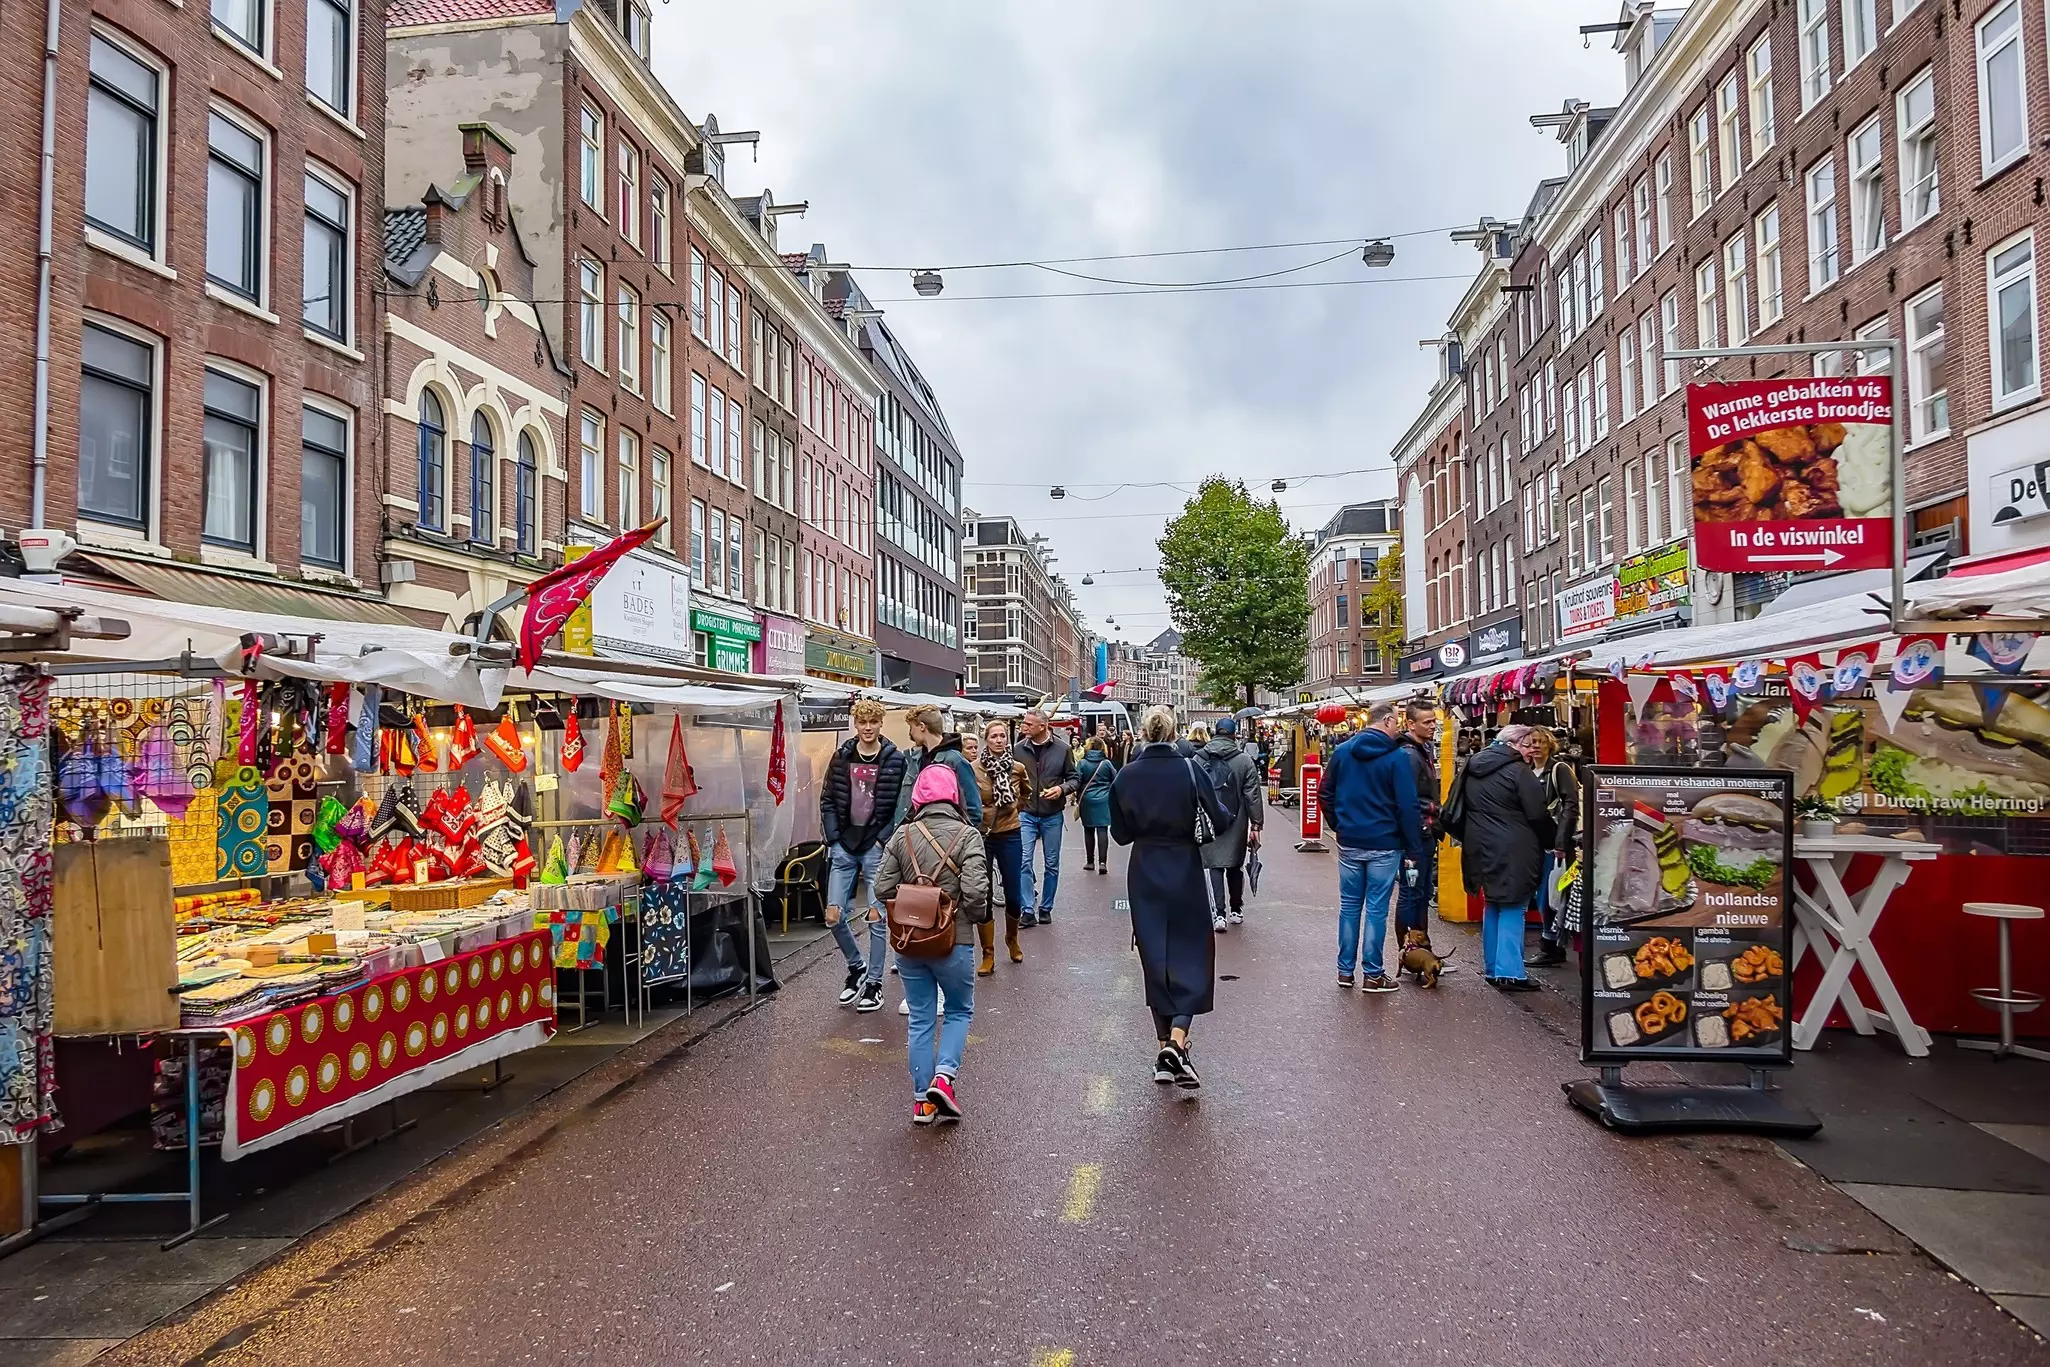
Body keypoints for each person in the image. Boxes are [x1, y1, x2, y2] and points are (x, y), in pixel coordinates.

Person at [1111, 706, 1230, 1091]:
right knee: (1192, 951)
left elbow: (1121, 835)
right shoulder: (1191, 769)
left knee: (1154, 957)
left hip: (1144, 868)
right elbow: (1220, 818)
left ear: (1143, 733)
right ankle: (1178, 1041)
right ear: (1174, 731)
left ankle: (1165, 1048)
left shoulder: (1126, 775)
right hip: (1183, 866)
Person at [873, 763, 990, 1126]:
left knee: (921, 1017)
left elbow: (881, 888)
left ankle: (923, 1101)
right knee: (958, 1010)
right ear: (954, 795)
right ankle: (944, 1076)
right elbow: (975, 893)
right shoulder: (969, 836)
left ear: (919, 795)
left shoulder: (902, 834)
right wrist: (971, 915)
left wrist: (914, 900)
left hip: (909, 940)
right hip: (954, 939)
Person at [1321, 700, 1424, 993]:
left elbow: (1325, 792)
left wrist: (1339, 825)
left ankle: (1344, 971)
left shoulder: (1342, 752)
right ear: (1389, 721)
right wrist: (1413, 846)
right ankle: (1373, 974)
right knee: (1377, 909)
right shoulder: (1396, 758)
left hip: (1351, 840)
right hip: (1384, 842)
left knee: (1350, 906)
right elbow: (1407, 805)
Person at [1451, 724, 1556, 991]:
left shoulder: (1473, 766)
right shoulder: (1519, 772)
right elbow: (1537, 814)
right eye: (1527, 744)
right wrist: (1553, 840)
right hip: (1514, 847)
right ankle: (1510, 972)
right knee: (1514, 905)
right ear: (1513, 744)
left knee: (1494, 904)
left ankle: (1493, 967)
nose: (1531, 750)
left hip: (1479, 845)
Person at [819, 699, 907, 1012]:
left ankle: (874, 983)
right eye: (862, 722)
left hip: (875, 847)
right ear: (855, 724)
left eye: (872, 722)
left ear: (881, 723)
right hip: (844, 845)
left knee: (876, 917)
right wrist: (834, 839)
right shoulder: (841, 756)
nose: (867, 728)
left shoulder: (895, 759)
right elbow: (827, 799)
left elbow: (900, 803)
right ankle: (856, 967)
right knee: (833, 916)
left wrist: (884, 840)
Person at [1395, 700, 1451, 970]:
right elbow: (1407, 799)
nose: (1433, 726)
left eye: (1434, 721)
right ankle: (1409, 952)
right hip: (1416, 837)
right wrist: (1421, 828)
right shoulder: (1409, 754)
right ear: (1410, 724)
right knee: (1411, 892)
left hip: (1422, 833)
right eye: (1427, 722)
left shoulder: (1420, 750)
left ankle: (1418, 951)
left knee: (1419, 892)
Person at [972, 720, 1030, 974]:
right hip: (983, 836)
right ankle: (988, 954)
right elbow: (969, 801)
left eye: (1002, 736)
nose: (998, 740)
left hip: (1010, 833)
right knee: (982, 894)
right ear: (986, 739)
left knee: (1014, 895)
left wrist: (1015, 811)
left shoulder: (1017, 768)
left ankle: (1012, 938)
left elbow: (1026, 794)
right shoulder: (973, 769)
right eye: (994, 736)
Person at [1197, 715, 1265, 931]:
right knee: (1235, 864)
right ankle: (1236, 909)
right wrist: (1256, 825)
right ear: (1235, 734)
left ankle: (1219, 914)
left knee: (1215, 865)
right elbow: (1252, 795)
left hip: (1208, 820)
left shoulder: (1199, 759)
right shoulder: (1244, 760)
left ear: (1215, 732)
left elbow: (1193, 791)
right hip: (1236, 820)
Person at [1012, 708, 1078, 927]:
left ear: (1043, 726)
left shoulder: (1063, 749)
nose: (1024, 727)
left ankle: (1046, 907)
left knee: (1052, 864)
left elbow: (1074, 778)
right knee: (1023, 861)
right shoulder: (1018, 749)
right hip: (1026, 813)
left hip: (1052, 815)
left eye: (1029, 724)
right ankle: (1027, 909)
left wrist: (1061, 789)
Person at [1529, 729, 1581, 967]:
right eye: (1532, 742)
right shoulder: (1527, 772)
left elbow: (1571, 806)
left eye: (1541, 742)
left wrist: (1561, 843)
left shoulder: (1560, 769)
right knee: (1546, 893)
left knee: (1554, 895)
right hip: (1537, 844)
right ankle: (1553, 943)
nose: (1536, 746)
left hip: (1557, 846)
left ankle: (1552, 946)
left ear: (1550, 745)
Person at [894, 705, 983, 830]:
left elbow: (974, 811)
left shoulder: (956, 761)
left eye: (912, 727)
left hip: (946, 838)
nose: (910, 734)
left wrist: (960, 840)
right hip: (914, 836)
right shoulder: (915, 759)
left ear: (922, 726)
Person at [1076, 735, 1118, 875]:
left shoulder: (1082, 763)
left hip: (1087, 799)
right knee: (1102, 830)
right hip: (1104, 799)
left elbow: (1077, 781)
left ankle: (1089, 861)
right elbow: (1115, 779)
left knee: (1088, 830)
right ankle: (1102, 862)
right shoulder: (1106, 763)